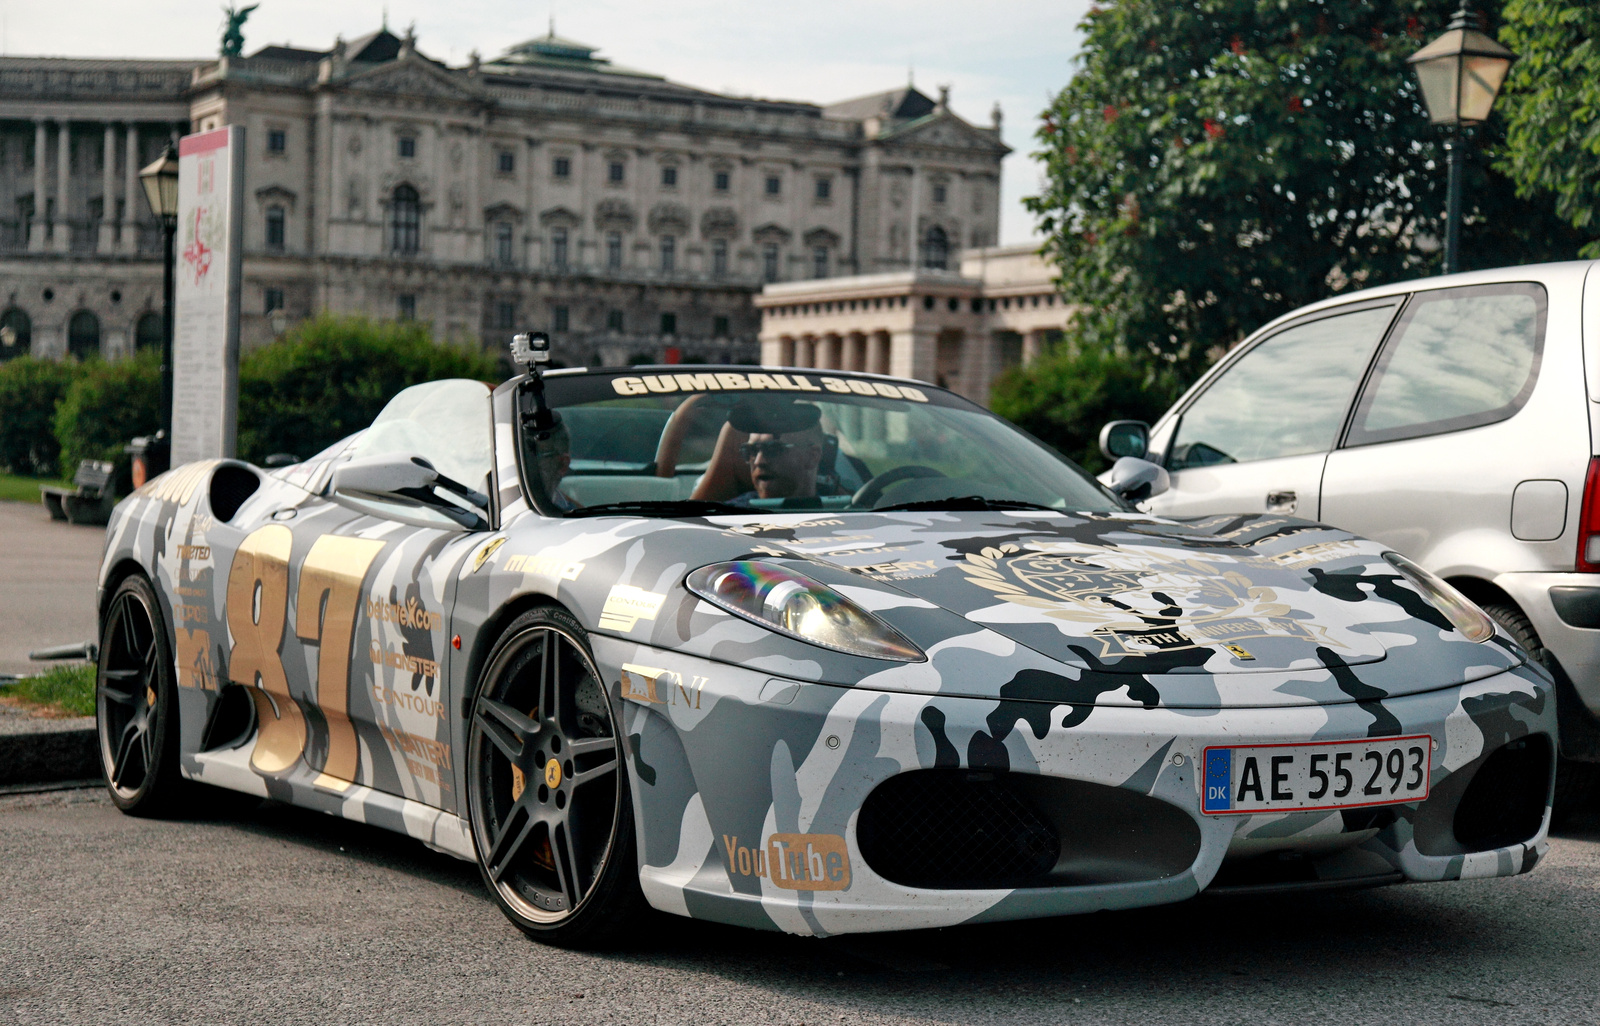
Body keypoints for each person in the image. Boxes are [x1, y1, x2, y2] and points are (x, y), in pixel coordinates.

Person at [727, 399, 832, 505]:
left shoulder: (841, 512)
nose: (758, 462)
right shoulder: (727, 514)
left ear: (812, 457)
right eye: (751, 451)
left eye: (773, 449)